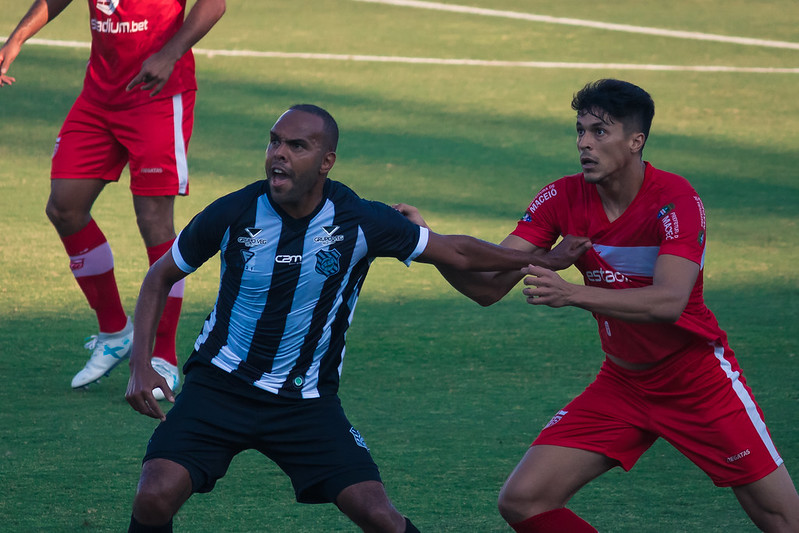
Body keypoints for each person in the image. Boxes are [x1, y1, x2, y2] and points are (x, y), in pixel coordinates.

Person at [123, 104, 590, 532]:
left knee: (379, 516)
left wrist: (545, 260)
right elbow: (159, 277)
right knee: (154, 495)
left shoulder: (361, 220)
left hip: (305, 402)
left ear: (326, 161)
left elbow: (459, 252)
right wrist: (140, 364)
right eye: (274, 142)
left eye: (297, 146)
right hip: (219, 388)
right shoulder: (233, 212)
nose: (278, 154)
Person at [396, 79, 799, 532]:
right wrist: (425, 241)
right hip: (623, 385)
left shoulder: (676, 201)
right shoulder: (562, 197)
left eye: (599, 131)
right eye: (580, 130)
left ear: (635, 141)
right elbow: (486, 288)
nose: (584, 143)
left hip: (697, 381)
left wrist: (572, 293)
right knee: (525, 500)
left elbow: (669, 302)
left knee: (783, 520)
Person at [0, 0, 226, 397]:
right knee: (64, 207)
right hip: (99, 96)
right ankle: (115, 331)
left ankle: (163, 356)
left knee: (153, 219)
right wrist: (17, 37)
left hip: (158, 94)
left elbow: (215, 3)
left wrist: (170, 54)